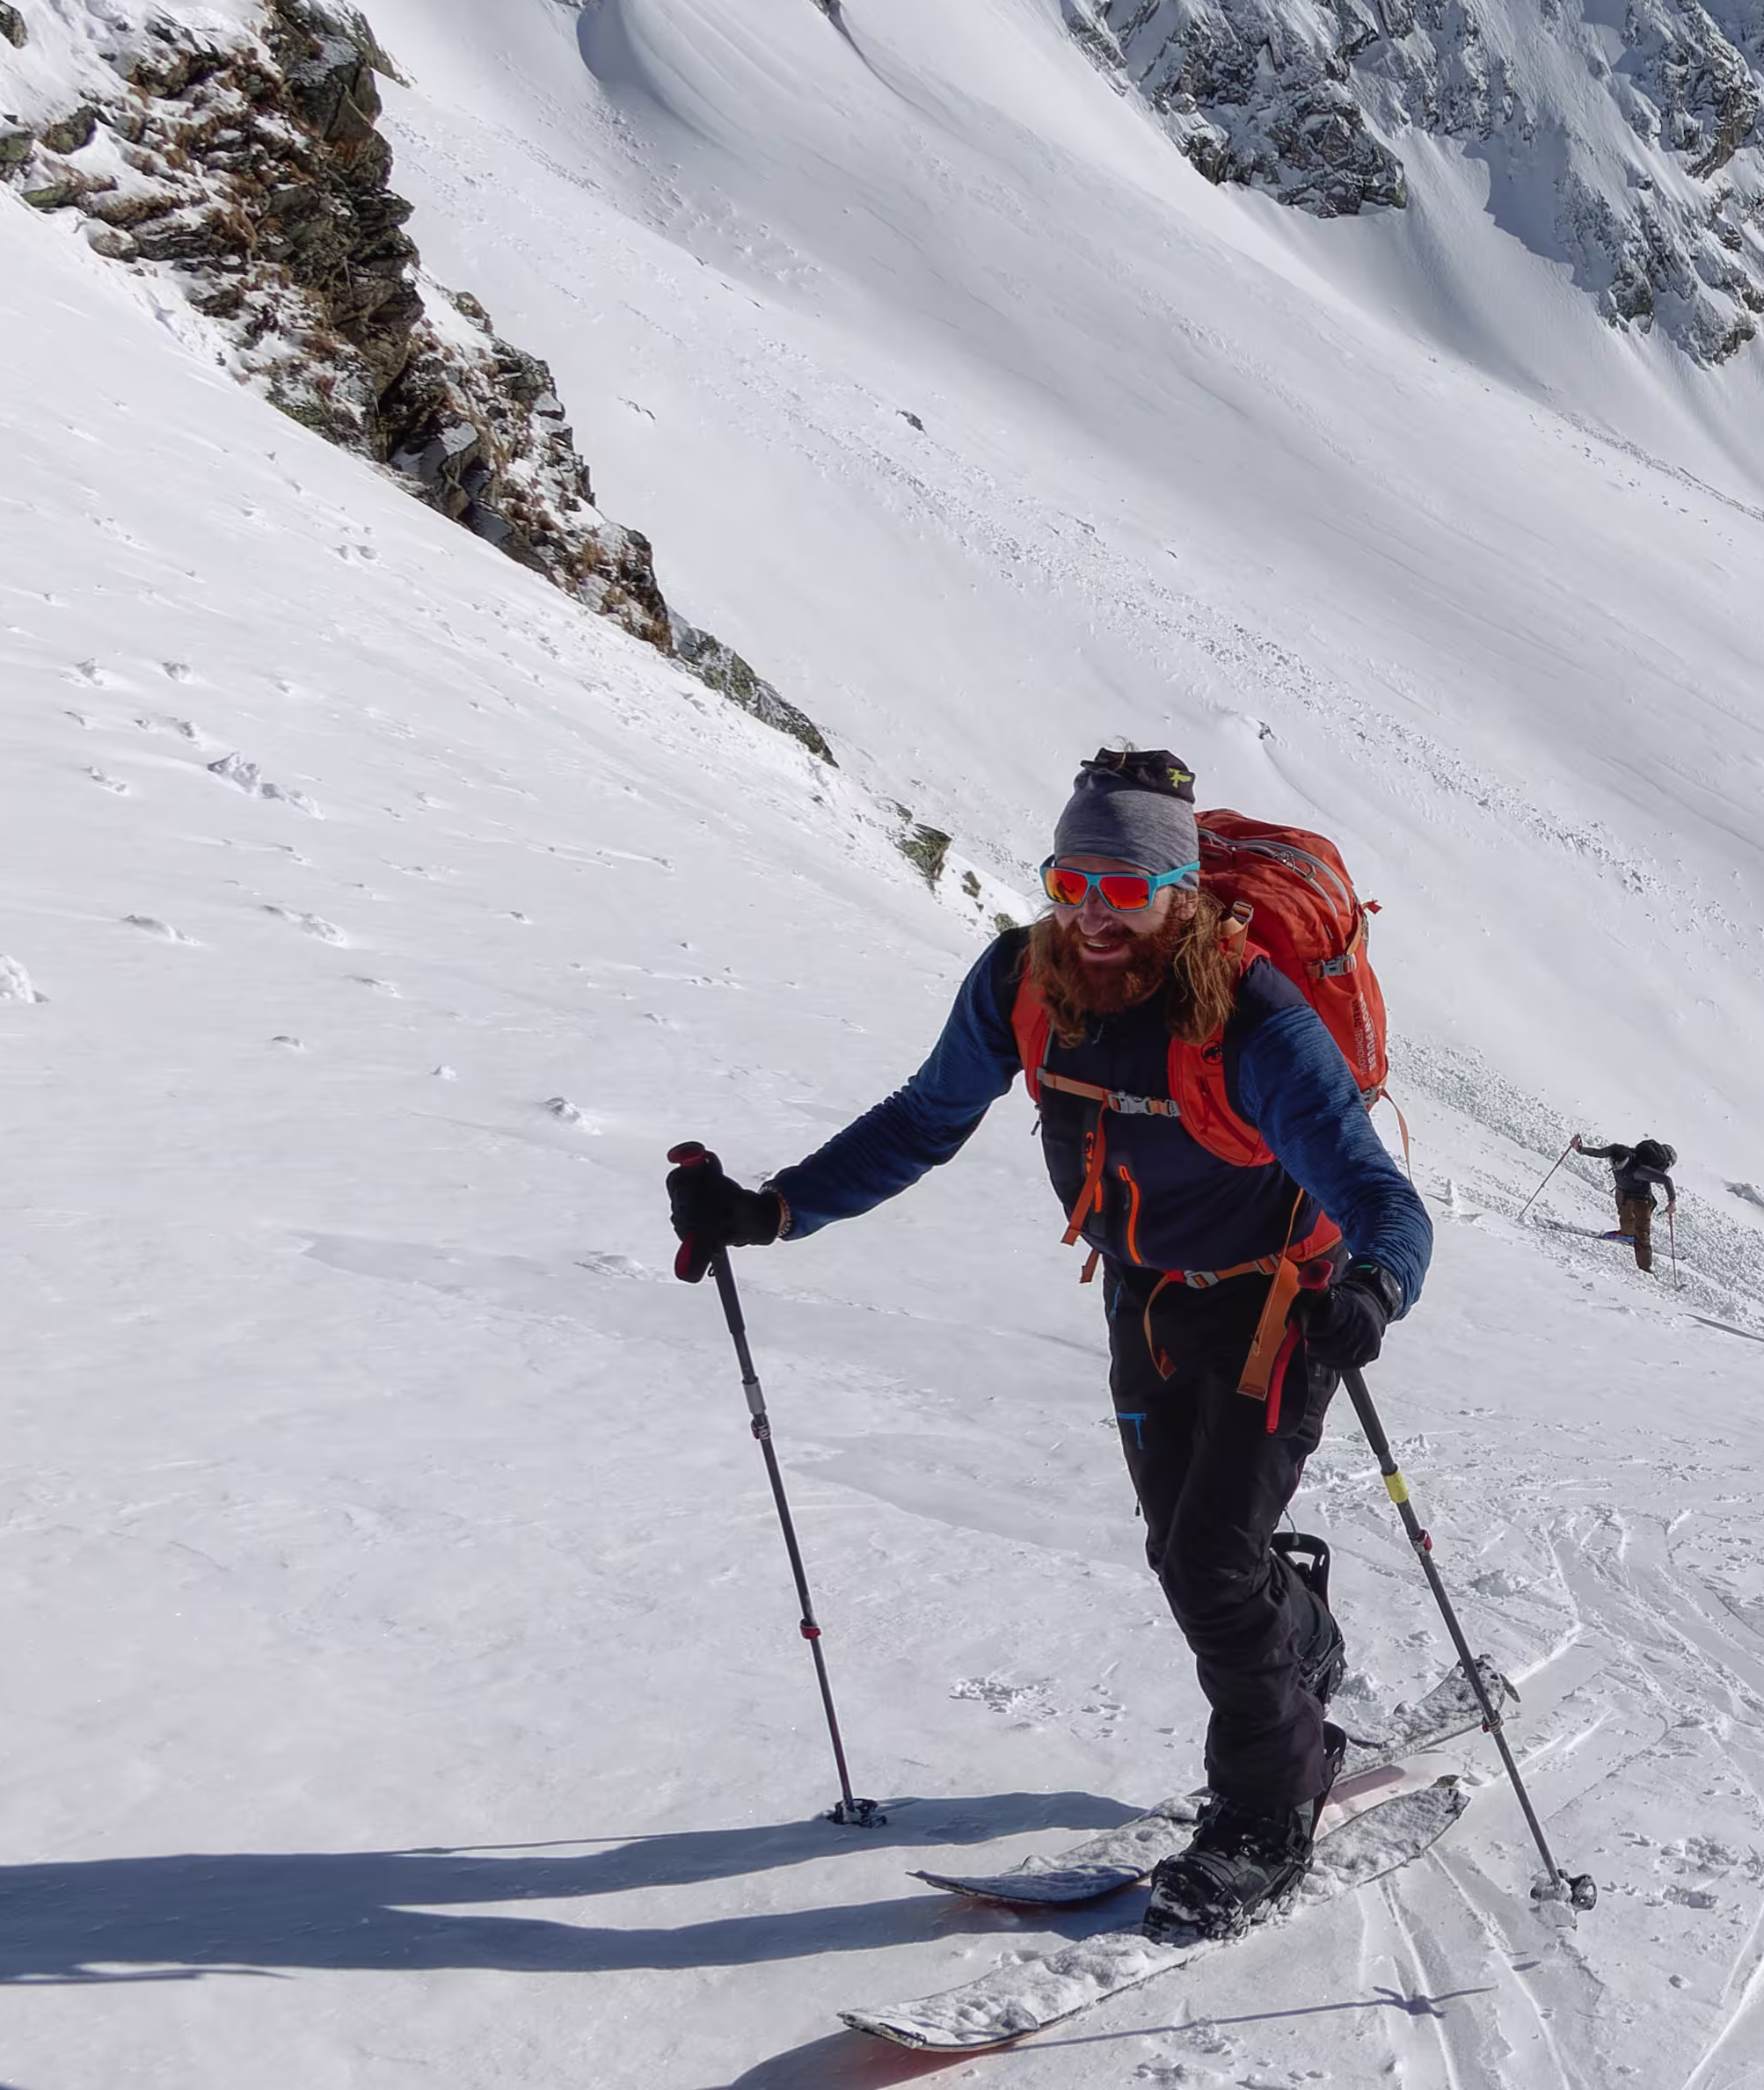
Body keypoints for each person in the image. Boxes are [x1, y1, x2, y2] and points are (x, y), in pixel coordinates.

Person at [662, 746, 1431, 1940]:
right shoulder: (1023, 981)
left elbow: (1383, 1199)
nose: (1092, 916)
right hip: (1143, 1291)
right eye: (1070, 884)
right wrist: (773, 1211)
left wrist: (1374, 1289)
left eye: (1126, 890)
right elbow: (924, 1119)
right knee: (1184, 1550)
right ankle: (1304, 1635)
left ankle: (1270, 1808)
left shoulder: (1255, 1023)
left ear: (1181, 896)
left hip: (1284, 1303)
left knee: (1210, 1564)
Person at [1574, 1135, 1677, 1271]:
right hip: (1624, 1193)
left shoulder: (1638, 1170)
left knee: (1642, 1233)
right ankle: (1627, 1235)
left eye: (1618, 1163)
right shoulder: (1616, 1151)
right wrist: (1580, 1149)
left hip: (1640, 1199)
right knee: (1625, 1215)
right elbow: (1598, 1153)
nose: (1615, 1165)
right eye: (1614, 1162)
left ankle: (1645, 1267)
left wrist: (1672, 1201)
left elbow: (1667, 1180)